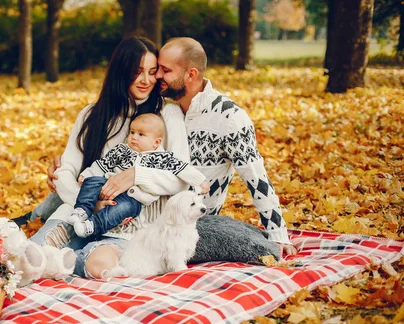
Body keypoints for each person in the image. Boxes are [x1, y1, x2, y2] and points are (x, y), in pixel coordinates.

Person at [43, 37, 297, 279]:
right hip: (113, 205)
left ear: (191, 74)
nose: (156, 78)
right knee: (56, 212)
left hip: (181, 216)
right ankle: (37, 227)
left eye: (162, 70)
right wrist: (74, 178)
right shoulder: (156, 109)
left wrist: (278, 233)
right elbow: (92, 163)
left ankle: (69, 253)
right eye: (155, 70)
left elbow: (255, 177)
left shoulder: (224, 117)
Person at [29, 36, 192, 279]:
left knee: (97, 265)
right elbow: (66, 169)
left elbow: (181, 178)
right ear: (121, 71)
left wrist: (137, 175)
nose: (146, 80)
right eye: (137, 72)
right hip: (81, 212)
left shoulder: (167, 114)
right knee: (30, 256)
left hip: (130, 223)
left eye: (151, 72)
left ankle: (67, 261)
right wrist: (86, 203)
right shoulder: (91, 115)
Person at [68, 113, 209, 238]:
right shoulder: (122, 150)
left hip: (132, 198)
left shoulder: (162, 158)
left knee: (122, 209)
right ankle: (82, 210)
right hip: (107, 184)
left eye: (141, 134)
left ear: (156, 142)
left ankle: (92, 226)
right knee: (92, 182)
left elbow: (183, 169)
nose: (134, 137)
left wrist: (200, 182)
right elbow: (102, 164)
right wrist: (87, 174)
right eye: (132, 132)